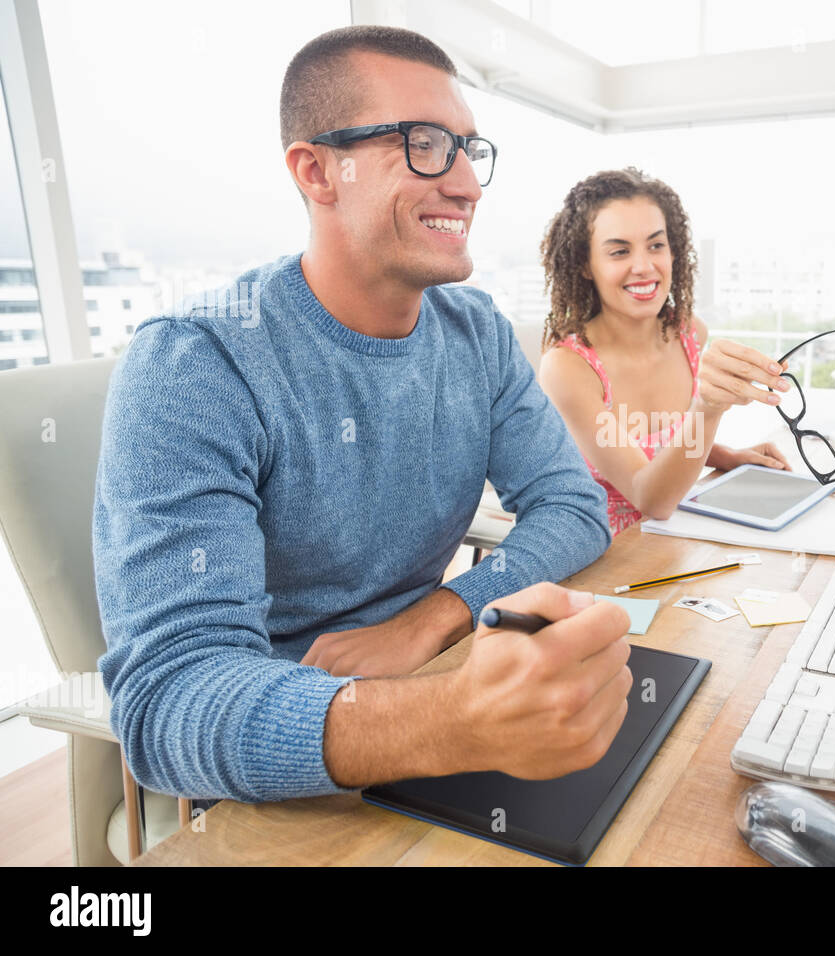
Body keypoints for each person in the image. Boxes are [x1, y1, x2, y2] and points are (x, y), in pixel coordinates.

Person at [92, 25, 632, 804]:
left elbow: (573, 507)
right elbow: (170, 698)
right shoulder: (198, 363)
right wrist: (448, 721)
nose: (467, 186)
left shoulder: (475, 332)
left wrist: (434, 618)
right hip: (280, 765)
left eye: (468, 150)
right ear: (317, 171)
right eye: (422, 144)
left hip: (436, 685)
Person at [537, 168, 792, 535]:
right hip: (598, 554)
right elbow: (650, 498)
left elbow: (660, 441)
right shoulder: (568, 367)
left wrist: (728, 457)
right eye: (619, 251)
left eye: (656, 245)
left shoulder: (688, 332)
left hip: (671, 537)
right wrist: (708, 408)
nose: (644, 266)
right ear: (584, 265)